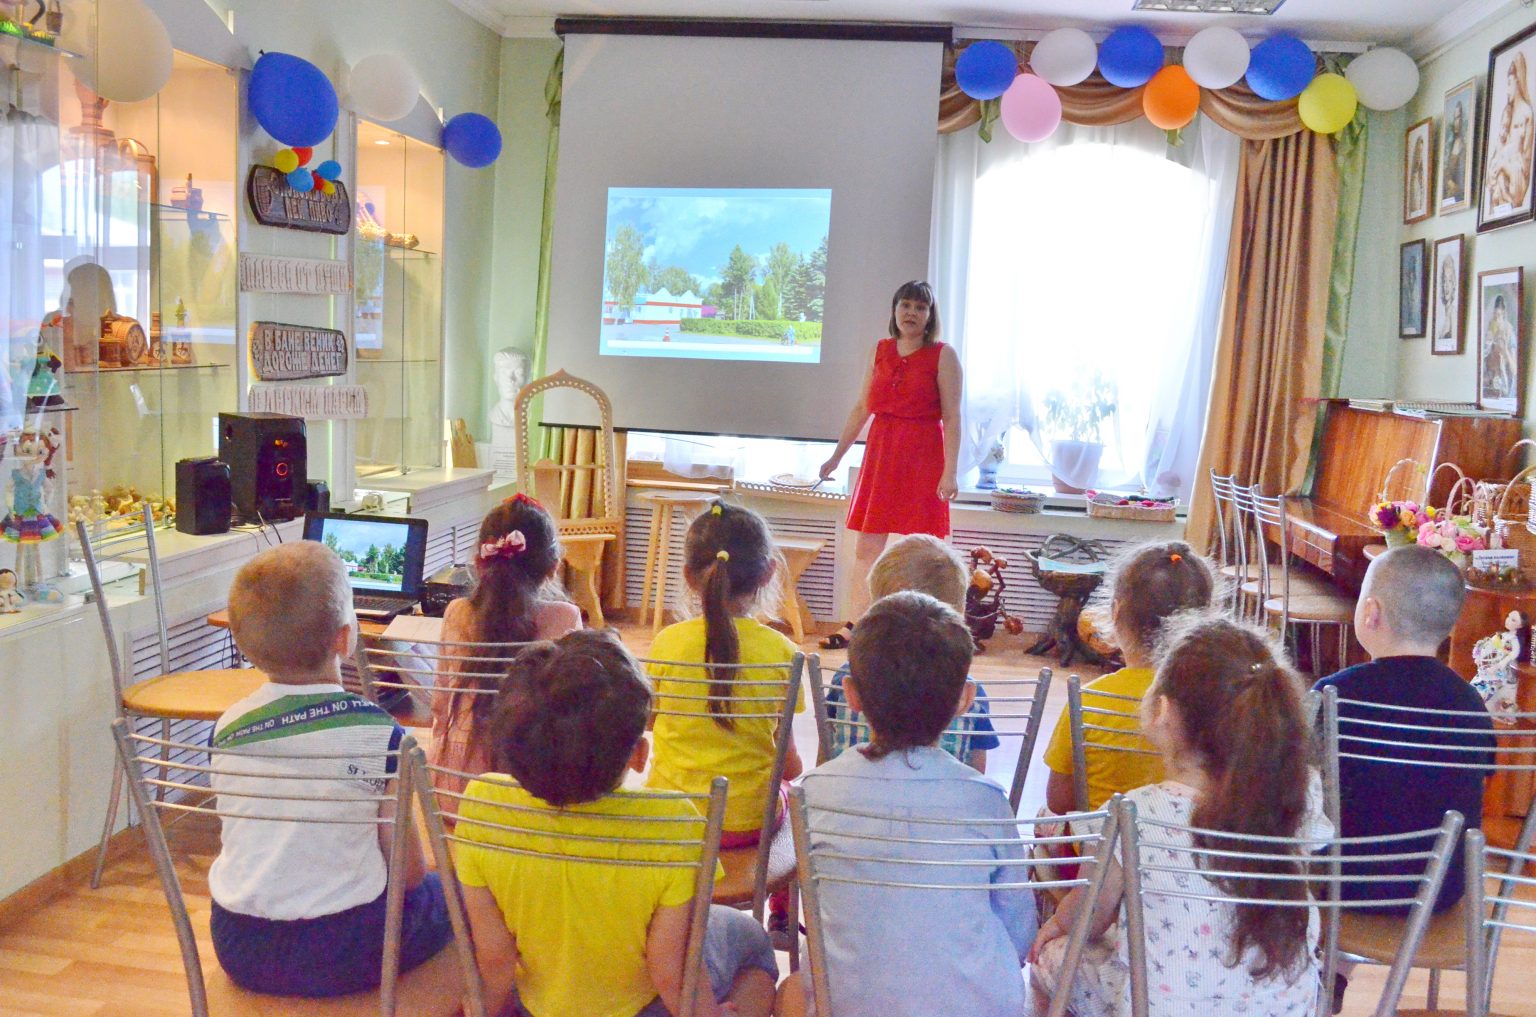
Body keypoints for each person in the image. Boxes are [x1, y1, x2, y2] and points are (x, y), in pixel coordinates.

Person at [454, 629, 777, 1017]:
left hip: (536, 1003)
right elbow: (670, 971)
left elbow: (495, 959)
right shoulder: (676, 823)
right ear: (640, 754)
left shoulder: (481, 803)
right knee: (754, 940)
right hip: (644, 1008)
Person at [1030, 615, 1331, 1017]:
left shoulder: (1134, 814)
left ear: (1164, 711)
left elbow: (1093, 912)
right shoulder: (1299, 794)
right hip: (1281, 1006)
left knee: (1049, 961)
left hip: (1164, 1007)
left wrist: (1055, 928)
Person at [208, 542, 452, 997]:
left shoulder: (227, 728)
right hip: (348, 945)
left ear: (244, 643)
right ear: (345, 638)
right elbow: (409, 873)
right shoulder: (380, 733)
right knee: (454, 895)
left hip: (239, 945)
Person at [779, 592, 1036, 1017]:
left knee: (790, 991)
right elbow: (1018, 927)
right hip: (978, 1006)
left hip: (847, 1005)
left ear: (851, 695)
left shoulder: (814, 791)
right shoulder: (986, 798)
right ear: (964, 700)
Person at [1313, 547, 1495, 1010]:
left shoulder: (1334, 695)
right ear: (1450, 625)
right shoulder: (1471, 706)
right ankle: (1332, 971)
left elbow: (1300, 785)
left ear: (1370, 613)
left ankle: (1315, 977)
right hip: (1439, 890)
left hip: (1343, 884)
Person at [647, 500, 803, 844]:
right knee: (794, 796)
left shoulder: (666, 643)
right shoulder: (785, 654)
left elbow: (648, 722)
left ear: (688, 576)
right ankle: (779, 896)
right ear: (769, 572)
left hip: (669, 819)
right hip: (747, 824)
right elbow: (789, 766)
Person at [817, 280, 962, 650]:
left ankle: (921, 629)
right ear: (895, 311)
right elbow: (862, 407)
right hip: (882, 453)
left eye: (920, 307)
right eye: (906, 305)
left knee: (921, 548)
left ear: (930, 316)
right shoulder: (879, 350)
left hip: (923, 455)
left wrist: (950, 471)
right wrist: (836, 456)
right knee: (867, 547)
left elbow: (953, 417)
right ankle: (856, 625)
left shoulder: (943, 355)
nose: (912, 313)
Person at [1039, 541, 1217, 814]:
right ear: (1206, 619)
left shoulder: (1089, 700)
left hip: (1101, 851)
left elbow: (1059, 802)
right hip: (1189, 852)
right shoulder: (1220, 702)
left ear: (1116, 612)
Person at [429, 494, 581, 807]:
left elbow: (440, 705)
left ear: (478, 562)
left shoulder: (456, 612)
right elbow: (574, 713)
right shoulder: (565, 618)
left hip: (452, 790)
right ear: (553, 567)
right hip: (529, 794)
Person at [823, 534, 1000, 770]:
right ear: (958, 614)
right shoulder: (971, 693)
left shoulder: (843, 679)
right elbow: (977, 776)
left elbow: (824, 761)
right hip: (942, 805)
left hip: (844, 799)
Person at [1483, 293, 1517, 400]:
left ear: (1503, 311)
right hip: (1491, 379)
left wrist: (1505, 350)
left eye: (1499, 311)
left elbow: (1514, 369)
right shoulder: (1490, 330)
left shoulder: (1509, 331)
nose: (1497, 314)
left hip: (1505, 378)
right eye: (1495, 312)